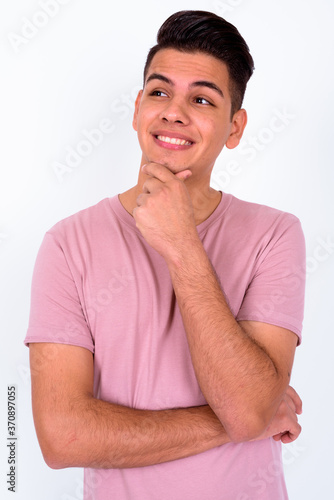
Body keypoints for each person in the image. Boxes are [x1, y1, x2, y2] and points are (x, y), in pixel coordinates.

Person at [25, 10, 306, 500]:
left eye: (201, 99)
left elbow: (249, 411)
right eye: (159, 92)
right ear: (137, 109)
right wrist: (243, 421)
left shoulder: (275, 235)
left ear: (235, 129)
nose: (173, 112)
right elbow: (62, 437)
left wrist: (181, 245)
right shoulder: (67, 244)